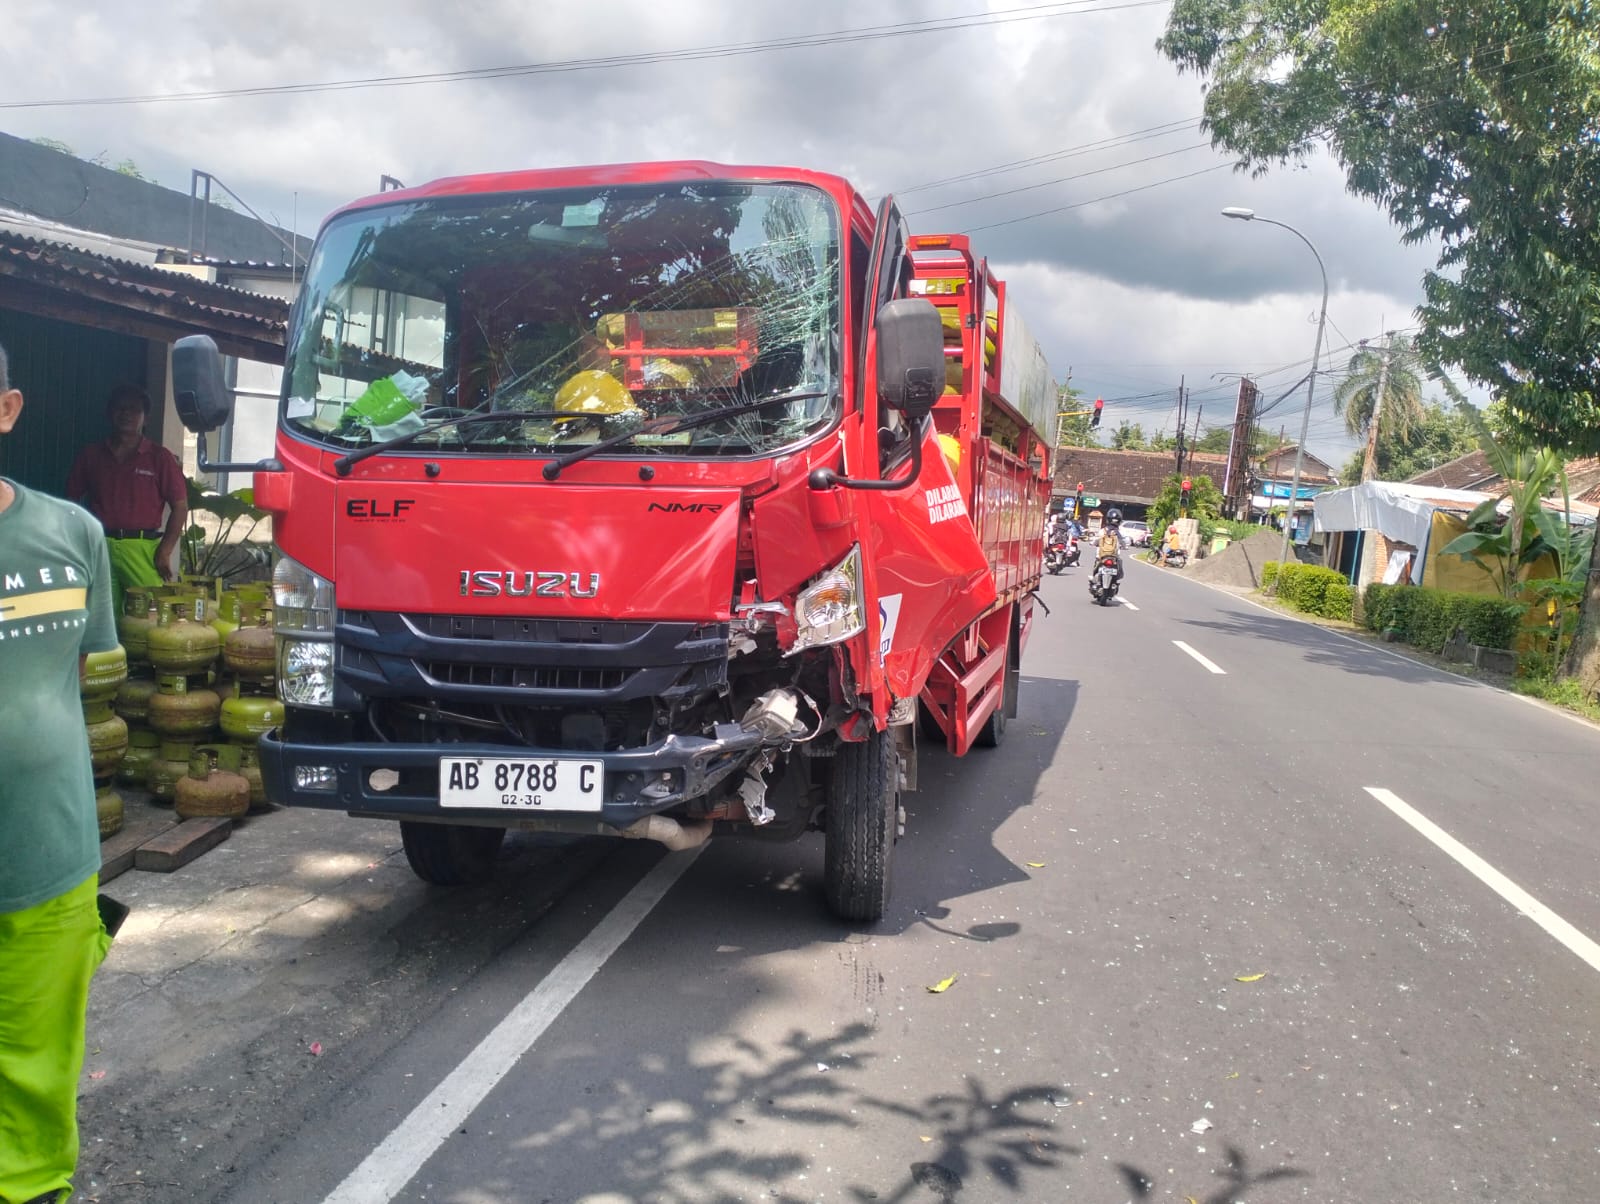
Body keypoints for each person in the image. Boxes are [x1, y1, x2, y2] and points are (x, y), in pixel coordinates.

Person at [0, 341, 122, 1204]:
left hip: (49, 847)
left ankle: (35, 1188)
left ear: (6, 411)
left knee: (40, 1056)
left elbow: (89, 669)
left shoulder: (73, 532)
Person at [65, 383, 187, 614]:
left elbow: (180, 507)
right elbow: (71, 500)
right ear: (110, 414)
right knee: (101, 616)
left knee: (149, 616)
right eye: (120, 409)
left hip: (142, 548)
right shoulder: (91, 455)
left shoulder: (160, 457)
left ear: (146, 418)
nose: (126, 414)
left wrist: (165, 550)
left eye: (134, 410)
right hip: (100, 545)